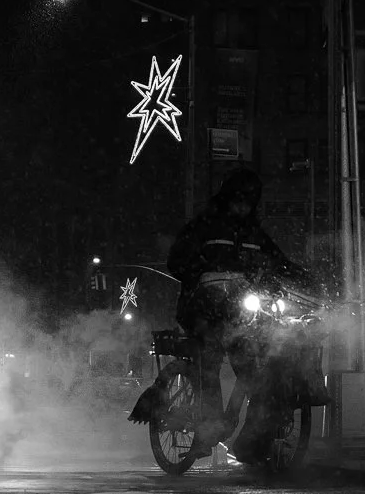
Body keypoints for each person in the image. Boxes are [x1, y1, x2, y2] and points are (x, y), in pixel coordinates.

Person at [130, 168, 311, 442]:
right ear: (227, 198)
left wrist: (306, 280)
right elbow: (177, 260)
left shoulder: (254, 234)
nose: (243, 206)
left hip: (237, 313)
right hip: (201, 310)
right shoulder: (204, 226)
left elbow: (278, 262)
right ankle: (208, 427)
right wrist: (202, 274)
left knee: (252, 365)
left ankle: (254, 434)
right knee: (210, 360)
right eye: (239, 200)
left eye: (248, 201)